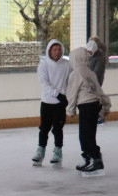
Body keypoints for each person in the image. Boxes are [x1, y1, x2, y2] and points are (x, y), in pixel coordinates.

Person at [65, 47, 111, 176]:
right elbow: (99, 91)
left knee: (85, 135)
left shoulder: (75, 74)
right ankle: (90, 158)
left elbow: (72, 93)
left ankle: (94, 159)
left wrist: (70, 110)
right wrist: (106, 105)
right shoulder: (90, 73)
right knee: (90, 133)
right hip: (94, 105)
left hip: (85, 106)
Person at [32, 39, 71, 166]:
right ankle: (40, 150)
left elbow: (71, 80)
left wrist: (68, 96)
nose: (57, 52)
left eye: (59, 49)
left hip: (60, 103)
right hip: (47, 102)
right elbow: (44, 84)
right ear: (49, 50)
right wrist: (57, 94)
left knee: (58, 128)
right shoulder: (43, 65)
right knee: (44, 128)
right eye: (54, 49)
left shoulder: (67, 64)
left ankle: (58, 151)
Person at [86, 37, 108, 125]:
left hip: (96, 80)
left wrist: (88, 77)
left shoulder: (100, 56)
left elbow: (97, 71)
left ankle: (99, 116)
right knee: (92, 97)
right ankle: (94, 115)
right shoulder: (90, 55)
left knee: (96, 98)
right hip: (91, 79)